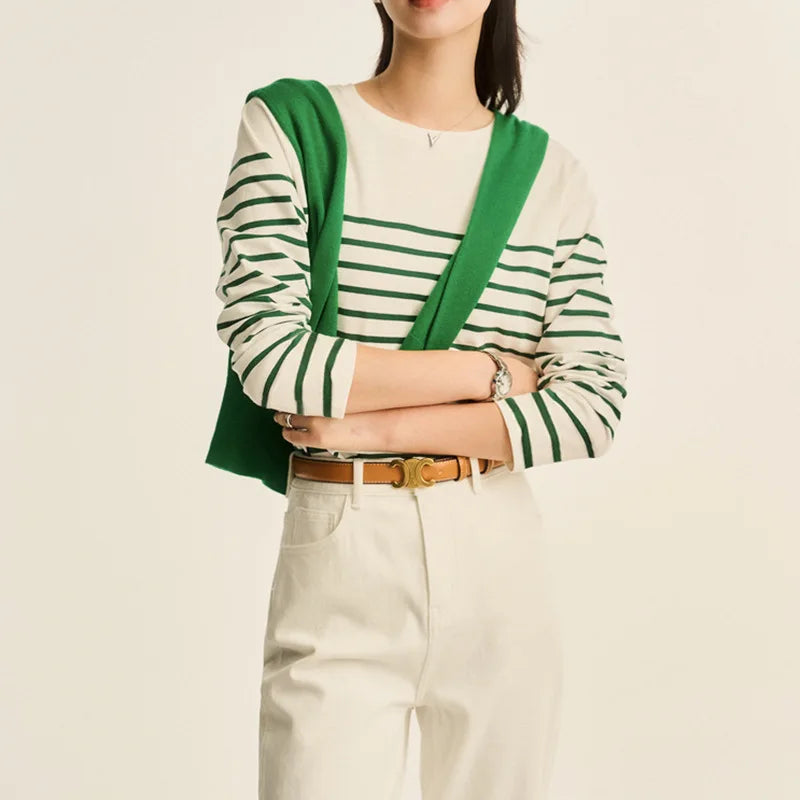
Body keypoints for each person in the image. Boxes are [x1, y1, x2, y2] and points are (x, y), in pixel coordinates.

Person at [211, 1, 627, 797]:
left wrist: (369, 427)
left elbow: (593, 407)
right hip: (341, 553)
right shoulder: (291, 126)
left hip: (496, 553)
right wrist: (490, 372)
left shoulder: (550, 175)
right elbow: (271, 359)